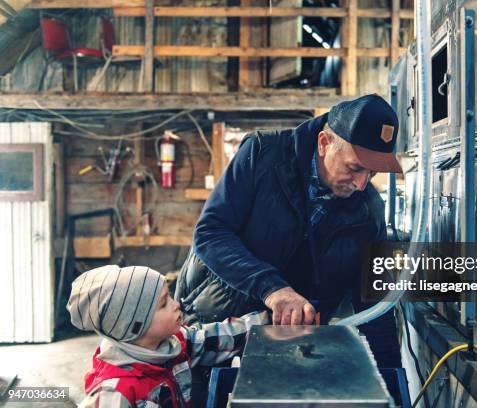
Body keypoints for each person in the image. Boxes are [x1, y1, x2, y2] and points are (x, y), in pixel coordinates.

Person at [176, 94, 403, 367]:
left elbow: (376, 309)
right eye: (355, 168)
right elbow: (210, 233)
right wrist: (273, 289)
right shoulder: (262, 154)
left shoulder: (370, 213)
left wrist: (393, 381)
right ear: (324, 143)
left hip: (289, 352)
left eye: (372, 173)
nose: (362, 184)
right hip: (215, 331)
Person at [67, 265, 267, 407]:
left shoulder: (176, 343)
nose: (176, 304)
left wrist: (272, 317)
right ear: (136, 326)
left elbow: (223, 336)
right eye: (164, 303)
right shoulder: (114, 393)